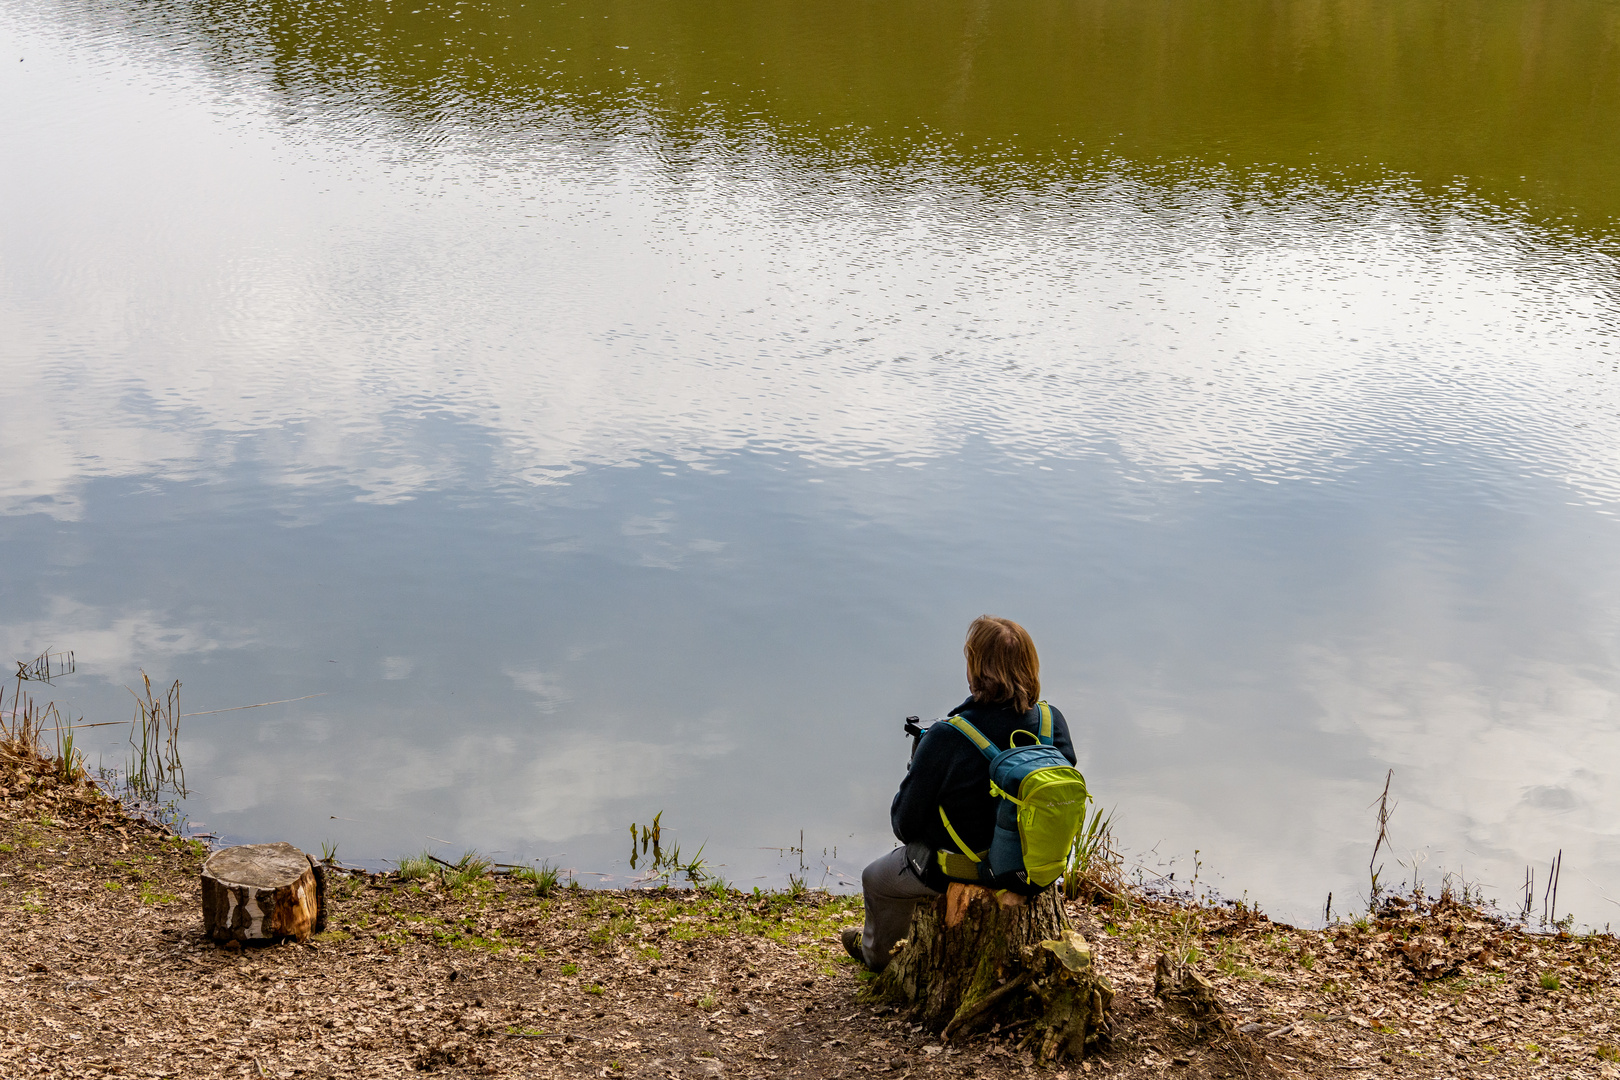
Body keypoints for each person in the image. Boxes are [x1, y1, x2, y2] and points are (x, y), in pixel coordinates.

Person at [841, 615, 1077, 971]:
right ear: (1030, 666)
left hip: (965, 869)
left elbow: (904, 825)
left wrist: (921, 767)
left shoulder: (948, 735)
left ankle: (878, 958)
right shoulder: (1050, 720)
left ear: (974, 668)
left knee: (875, 878)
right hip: (1035, 865)